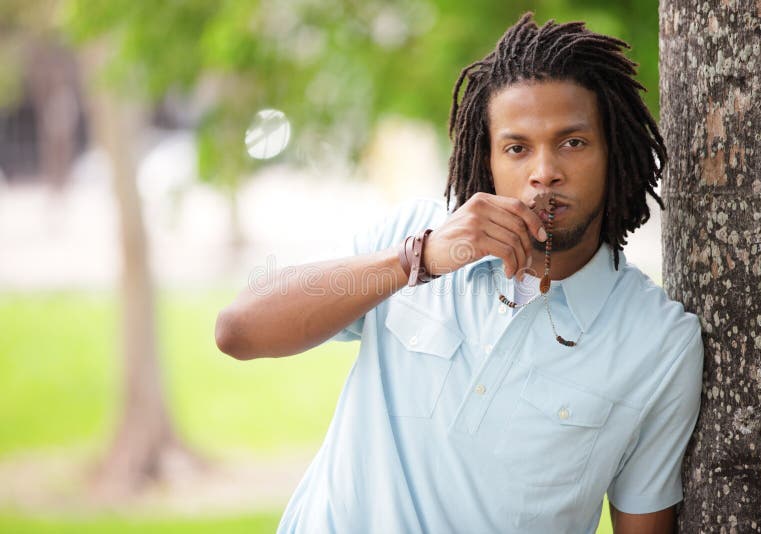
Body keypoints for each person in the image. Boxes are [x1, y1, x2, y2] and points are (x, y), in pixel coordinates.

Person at [215, 12, 703, 534]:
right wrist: (416, 260)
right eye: (517, 148)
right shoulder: (414, 234)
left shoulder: (660, 342)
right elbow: (238, 331)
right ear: (487, 159)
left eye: (572, 142)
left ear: (614, 153)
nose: (544, 172)